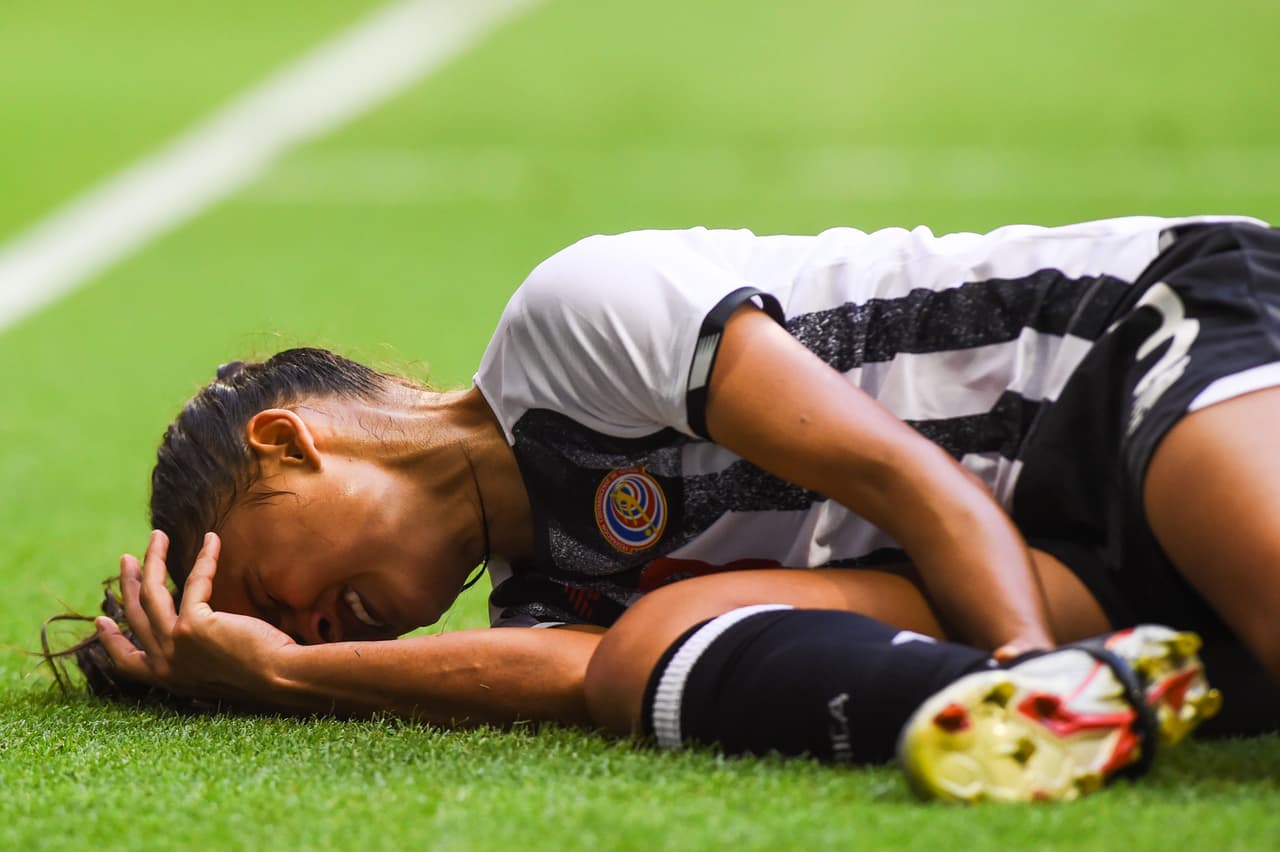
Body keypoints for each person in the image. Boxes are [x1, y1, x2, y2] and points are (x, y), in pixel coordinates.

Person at [48, 215, 1279, 792]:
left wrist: (1021, 668)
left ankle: (1058, 693)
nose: (309, 630)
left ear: (286, 445)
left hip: (1129, 354)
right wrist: (275, 677)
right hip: (1057, 549)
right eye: (278, 632)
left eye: (268, 594)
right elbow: (586, 676)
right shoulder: (543, 609)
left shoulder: (569, 319)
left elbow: (904, 478)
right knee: (643, 654)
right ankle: (1108, 690)